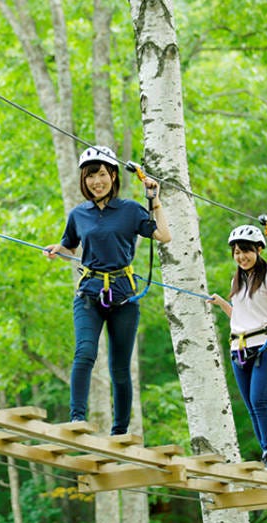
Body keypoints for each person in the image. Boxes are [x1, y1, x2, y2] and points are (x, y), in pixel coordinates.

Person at [44, 146, 171, 435]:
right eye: (90, 177)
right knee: (85, 352)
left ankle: (120, 431)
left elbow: (164, 236)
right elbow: (71, 246)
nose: (96, 182)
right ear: (83, 181)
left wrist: (157, 202)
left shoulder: (129, 210)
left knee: (119, 368)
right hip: (89, 292)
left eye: (101, 174)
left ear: (113, 176)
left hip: (123, 295)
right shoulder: (79, 214)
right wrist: (58, 249)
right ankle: (77, 418)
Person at [210, 224, 267, 470]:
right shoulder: (237, 280)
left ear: (259, 250)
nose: (241, 257)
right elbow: (240, 317)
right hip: (239, 349)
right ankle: (266, 454)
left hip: (265, 348)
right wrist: (222, 303)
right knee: (250, 406)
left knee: (260, 401)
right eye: (237, 252)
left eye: (246, 251)